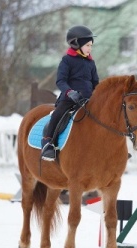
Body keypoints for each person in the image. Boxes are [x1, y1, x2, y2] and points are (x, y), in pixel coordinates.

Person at [41, 25, 99, 161]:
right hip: (69, 98)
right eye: (88, 45)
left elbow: (95, 82)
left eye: (91, 46)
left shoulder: (91, 63)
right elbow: (61, 81)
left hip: (88, 99)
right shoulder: (67, 60)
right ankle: (48, 143)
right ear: (76, 44)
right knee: (57, 114)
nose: (90, 49)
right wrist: (70, 92)